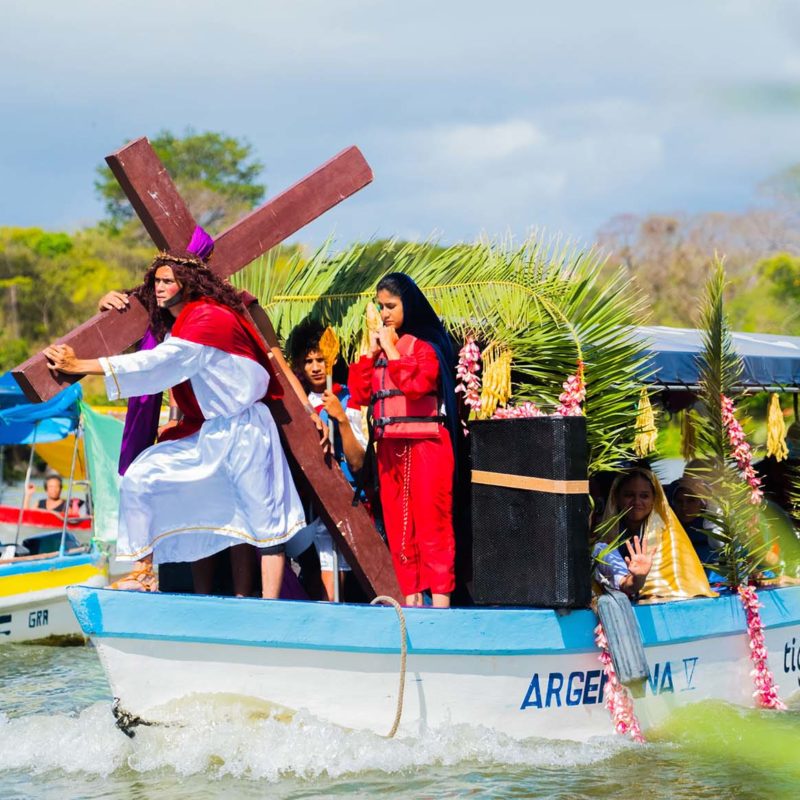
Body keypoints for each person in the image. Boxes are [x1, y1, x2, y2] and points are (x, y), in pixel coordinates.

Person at [44, 231, 306, 599]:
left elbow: (159, 362)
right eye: (157, 280)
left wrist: (83, 365)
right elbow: (153, 342)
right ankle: (144, 570)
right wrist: (114, 304)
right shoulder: (178, 320)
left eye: (168, 280)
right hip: (208, 432)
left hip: (247, 428)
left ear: (190, 281)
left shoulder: (208, 317)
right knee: (142, 478)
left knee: (263, 521)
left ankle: (268, 606)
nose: (160, 286)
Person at [348, 273, 459, 608]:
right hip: (391, 451)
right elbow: (361, 394)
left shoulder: (427, 346)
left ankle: (440, 608)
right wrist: (370, 352)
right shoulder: (381, 349)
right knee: (399, 529)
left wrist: (392, 349)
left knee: (433, 527)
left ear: (407, 305)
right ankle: (410, 602)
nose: (384, 314)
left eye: (391, 306)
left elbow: (416, 384)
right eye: (381, 307)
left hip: (428, 448)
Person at [287, 318, 368, 600]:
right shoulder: (300, 405)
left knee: (344, 585)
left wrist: (342, 419)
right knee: (319, 583)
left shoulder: (349, 398)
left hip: (351, 502)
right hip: (313, 508)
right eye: (308, 361)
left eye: (321, 359)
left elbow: (359, 462)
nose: (316, 367)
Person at [594, 467, 716, 601]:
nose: (637, 502)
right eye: (629, 495)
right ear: (616, 498)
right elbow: (625, 584)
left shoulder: (670, 538)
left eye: (644, 496)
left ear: (654, 500)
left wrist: (638, 578)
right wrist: (637, 578)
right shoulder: (603, 546)